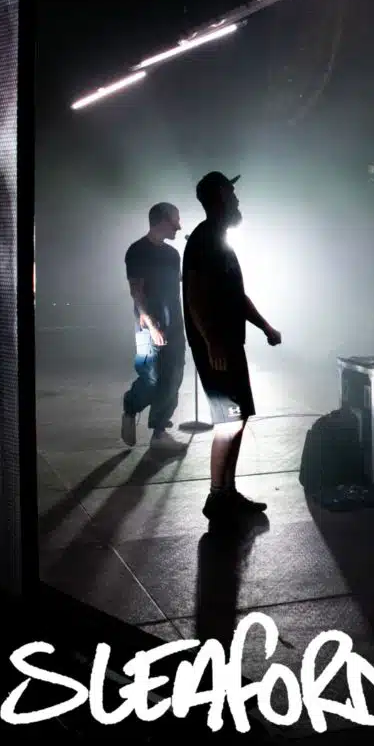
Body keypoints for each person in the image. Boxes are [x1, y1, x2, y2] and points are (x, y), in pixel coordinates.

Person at [183, 172, 281, 519]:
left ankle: (228, 491)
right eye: (232, 193)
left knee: (238, 417)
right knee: (229, 419)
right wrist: (211, 341)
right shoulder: (204, 238)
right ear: (221, 196)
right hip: (218, 348)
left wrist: (265, 326)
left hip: (228, 343)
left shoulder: (220, 240)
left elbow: (237, 296)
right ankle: (216, 496)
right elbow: (194, 293)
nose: (237, 200)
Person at [121, 202, 188, 453]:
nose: (179, 226)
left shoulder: (173, 254)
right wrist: (151, 325)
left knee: (173, 377)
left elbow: (178, 283)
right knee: (152, 378)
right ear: (162, 220)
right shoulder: (137, 251)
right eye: (176, 220)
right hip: (149, 326)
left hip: (175, 325)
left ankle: (159, 433)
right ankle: (131, 406)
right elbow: (136, 292)